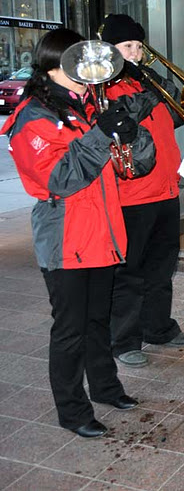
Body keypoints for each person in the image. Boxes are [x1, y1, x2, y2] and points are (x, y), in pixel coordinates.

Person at [0, 28, 156, 437]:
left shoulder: (87, 106)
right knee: (70, 329)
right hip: (66, 237)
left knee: (97, 319)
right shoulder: (33, 116)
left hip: (101, 232)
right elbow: (60, 179)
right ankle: (72, 410)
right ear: (53, 66)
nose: (89, 73)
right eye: (78, 64)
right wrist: (102, 134)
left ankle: (105, 387)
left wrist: (131, 133)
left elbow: (131, 168)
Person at [101, 14, 184, 368]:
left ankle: (158, 327)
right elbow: (123, 126)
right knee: (130, 271)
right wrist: (145, 87)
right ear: (110, 50)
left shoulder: (145, 83)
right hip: (133, 196)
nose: (136, 53)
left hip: (166, 190)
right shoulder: (104, 90)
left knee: (162, 266)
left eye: (139, 46)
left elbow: (178, 115)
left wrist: (160, 84)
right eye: (128, 46)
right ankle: (124, 339)